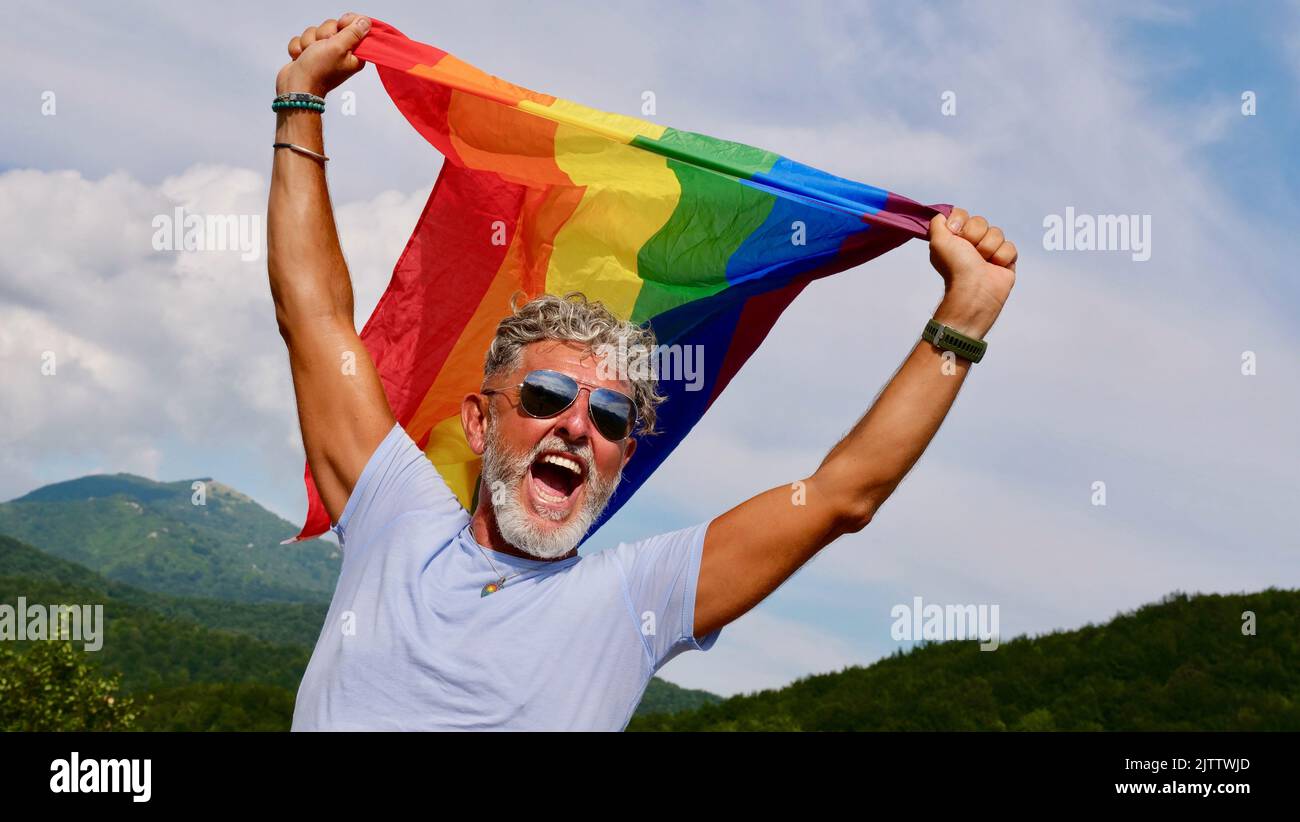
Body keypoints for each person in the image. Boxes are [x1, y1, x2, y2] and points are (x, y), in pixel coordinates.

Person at [269, 15, 1018, 731]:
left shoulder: (635, 597)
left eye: (609, 419)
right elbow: (315, 320)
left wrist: (963, 320)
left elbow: (840, 496)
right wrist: (300, 103)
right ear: (479, 418)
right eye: (547, 394)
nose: (575, 424)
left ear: (624, 458)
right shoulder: (398, 520)